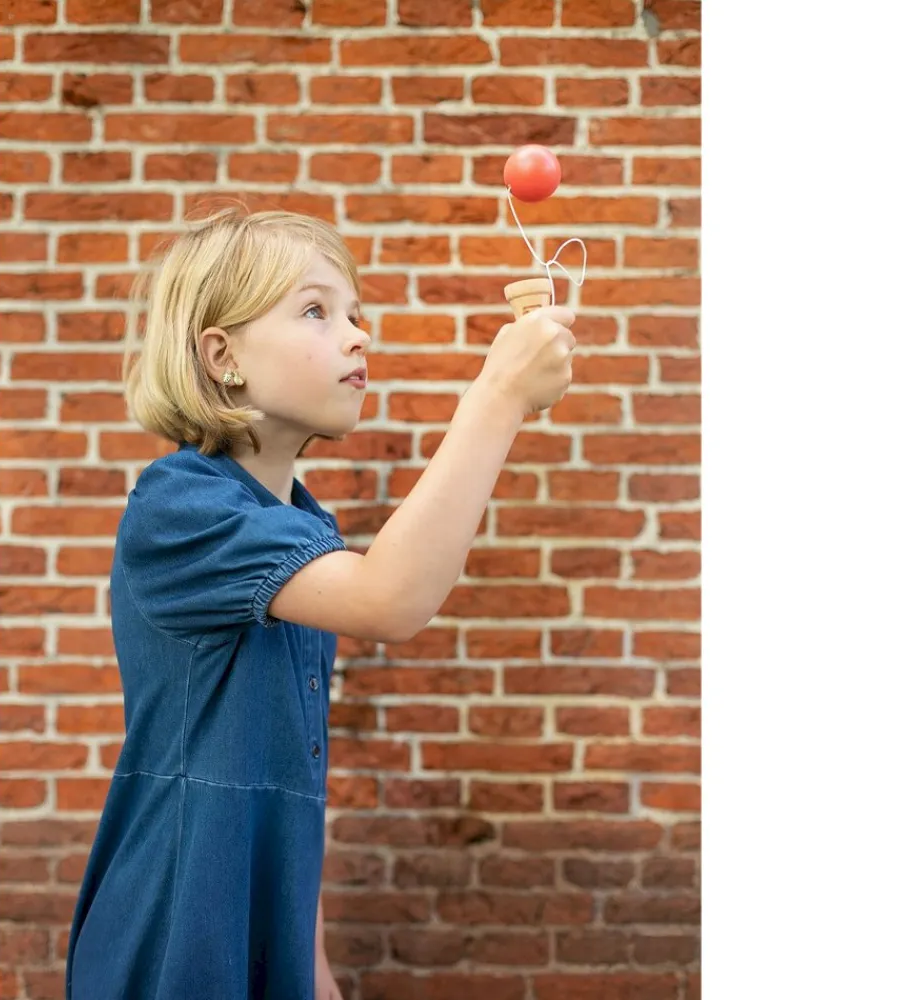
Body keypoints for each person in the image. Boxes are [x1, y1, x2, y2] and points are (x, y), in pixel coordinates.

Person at [64, 206, 577, 1000]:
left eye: (355, 313)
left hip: (268, 943)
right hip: (175, 938)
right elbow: (393, 599)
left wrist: (314, 965)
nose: (357, 335)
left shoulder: (304, 529)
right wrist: (498, 395)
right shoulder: (180, 506)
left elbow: (287, 778)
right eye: (315, 310)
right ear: (222, 356)